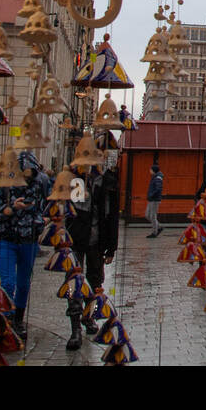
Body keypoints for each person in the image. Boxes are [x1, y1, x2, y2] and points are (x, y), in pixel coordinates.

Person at [0, 150, 50, 341]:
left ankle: (18, 319)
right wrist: (12, 208)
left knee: (24, 284)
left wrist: (41, 221)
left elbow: (47, 208)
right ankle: (6, 319)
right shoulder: (5, 185)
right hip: (7, 239)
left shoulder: (40, 183)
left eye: (29, 172)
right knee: (7, 281)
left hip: (28, 240)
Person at [65, 144, 120, 350]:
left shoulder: (108, 181)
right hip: (77, 239)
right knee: (73, 283)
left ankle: (89, 317)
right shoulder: (77, 179)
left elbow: (112, 215)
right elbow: (76, 210)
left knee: (95, 280)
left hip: (98, 240)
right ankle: (75, 328)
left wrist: (111, 247)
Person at [145, 164, 164, 238]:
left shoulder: (158, 178)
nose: (149, 171)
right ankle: (158, 227)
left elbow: (158, 188)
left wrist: (151, 195)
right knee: (147, 215)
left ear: (154, 170)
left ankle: (154, 232)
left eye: (150, 170)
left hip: (154, 200)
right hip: (151, 199)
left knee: (152, 216)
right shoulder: (155, 177)